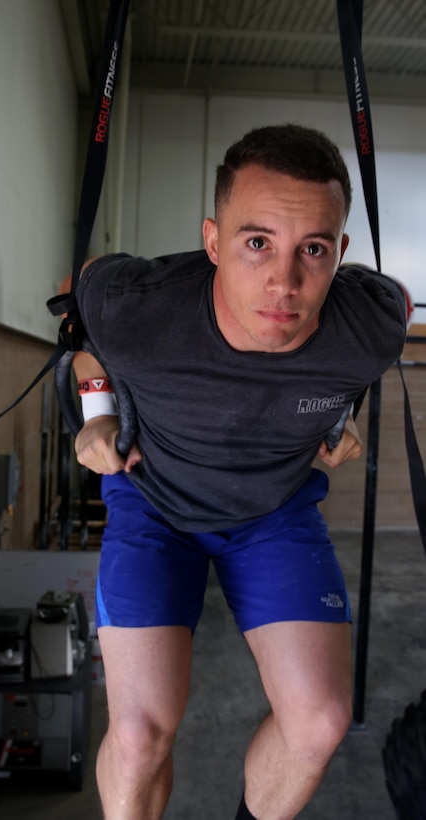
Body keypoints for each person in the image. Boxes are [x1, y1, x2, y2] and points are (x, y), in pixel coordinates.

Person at [69, 124, 407, 819]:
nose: (285, 282)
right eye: (257, 243)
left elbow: (353, 369)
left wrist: (341, 418)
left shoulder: (371, 323)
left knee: (318, 723)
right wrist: (98, 415)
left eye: (312, 250)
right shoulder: (136, 307)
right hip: (154, 505)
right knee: (137, 737)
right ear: (214, 241)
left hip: (272, 512)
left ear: (339, 252)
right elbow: (85, 347)